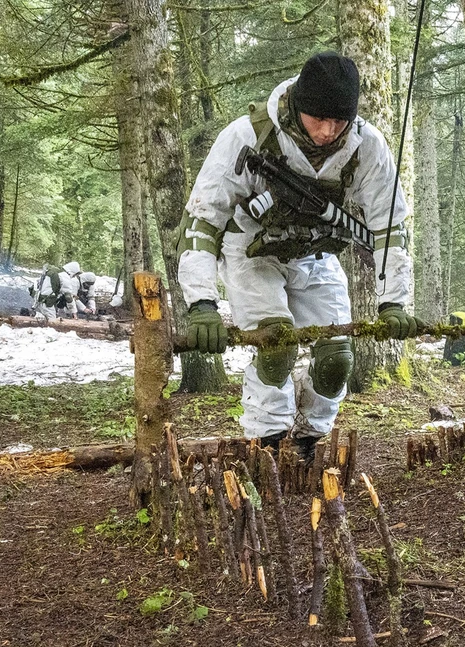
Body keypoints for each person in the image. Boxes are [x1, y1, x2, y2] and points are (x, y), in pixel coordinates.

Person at [177, 51, 417, 459]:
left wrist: (394, 302)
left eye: (339, 121)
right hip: (251, 252)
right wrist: (201, 304)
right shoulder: (247, 136)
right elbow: (202, 222)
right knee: (277, 346)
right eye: (317, 118)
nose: (327, 131)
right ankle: (267, 445)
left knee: (337, 360)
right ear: (298, 105)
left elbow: (390, 227)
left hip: (315, 254)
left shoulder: (367, 148)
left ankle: (306, 442)